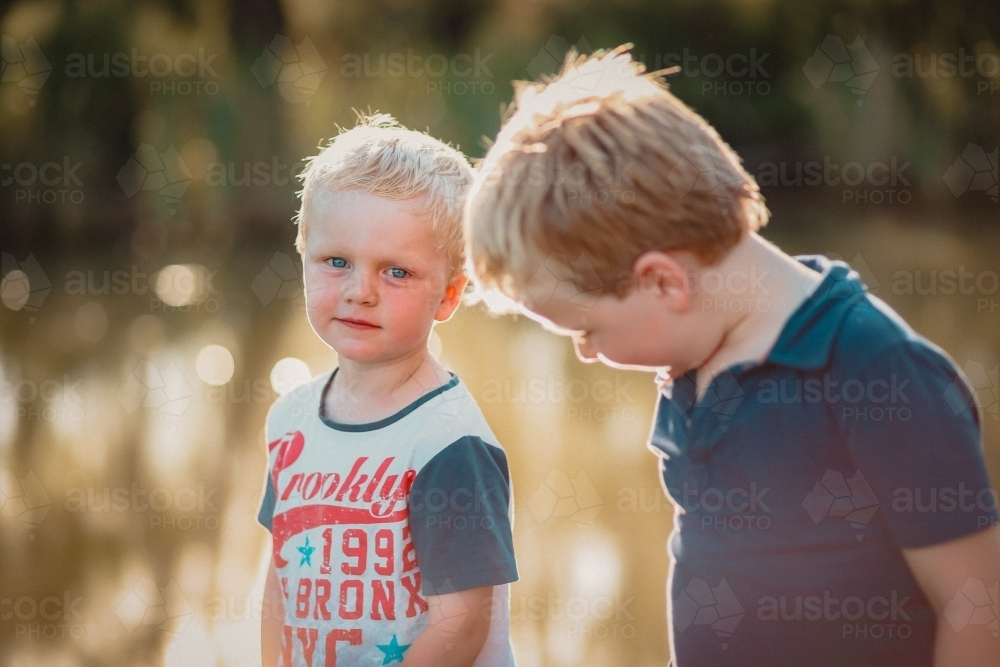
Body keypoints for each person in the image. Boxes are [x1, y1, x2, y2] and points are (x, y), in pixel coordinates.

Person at [463, 47, 1000, 667]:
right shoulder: (694, 363)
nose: (585, 354)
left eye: (586, 330)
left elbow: (974, 603)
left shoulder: (879, 373)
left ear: (664, 283)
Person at [258, 114, 518, 667]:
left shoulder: (449, 442)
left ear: (448, 297)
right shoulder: (290, 421)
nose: (360, 292)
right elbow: (278, 583)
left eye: (396, 272)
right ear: (303, 257)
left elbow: (462, 626)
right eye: (336, 262)